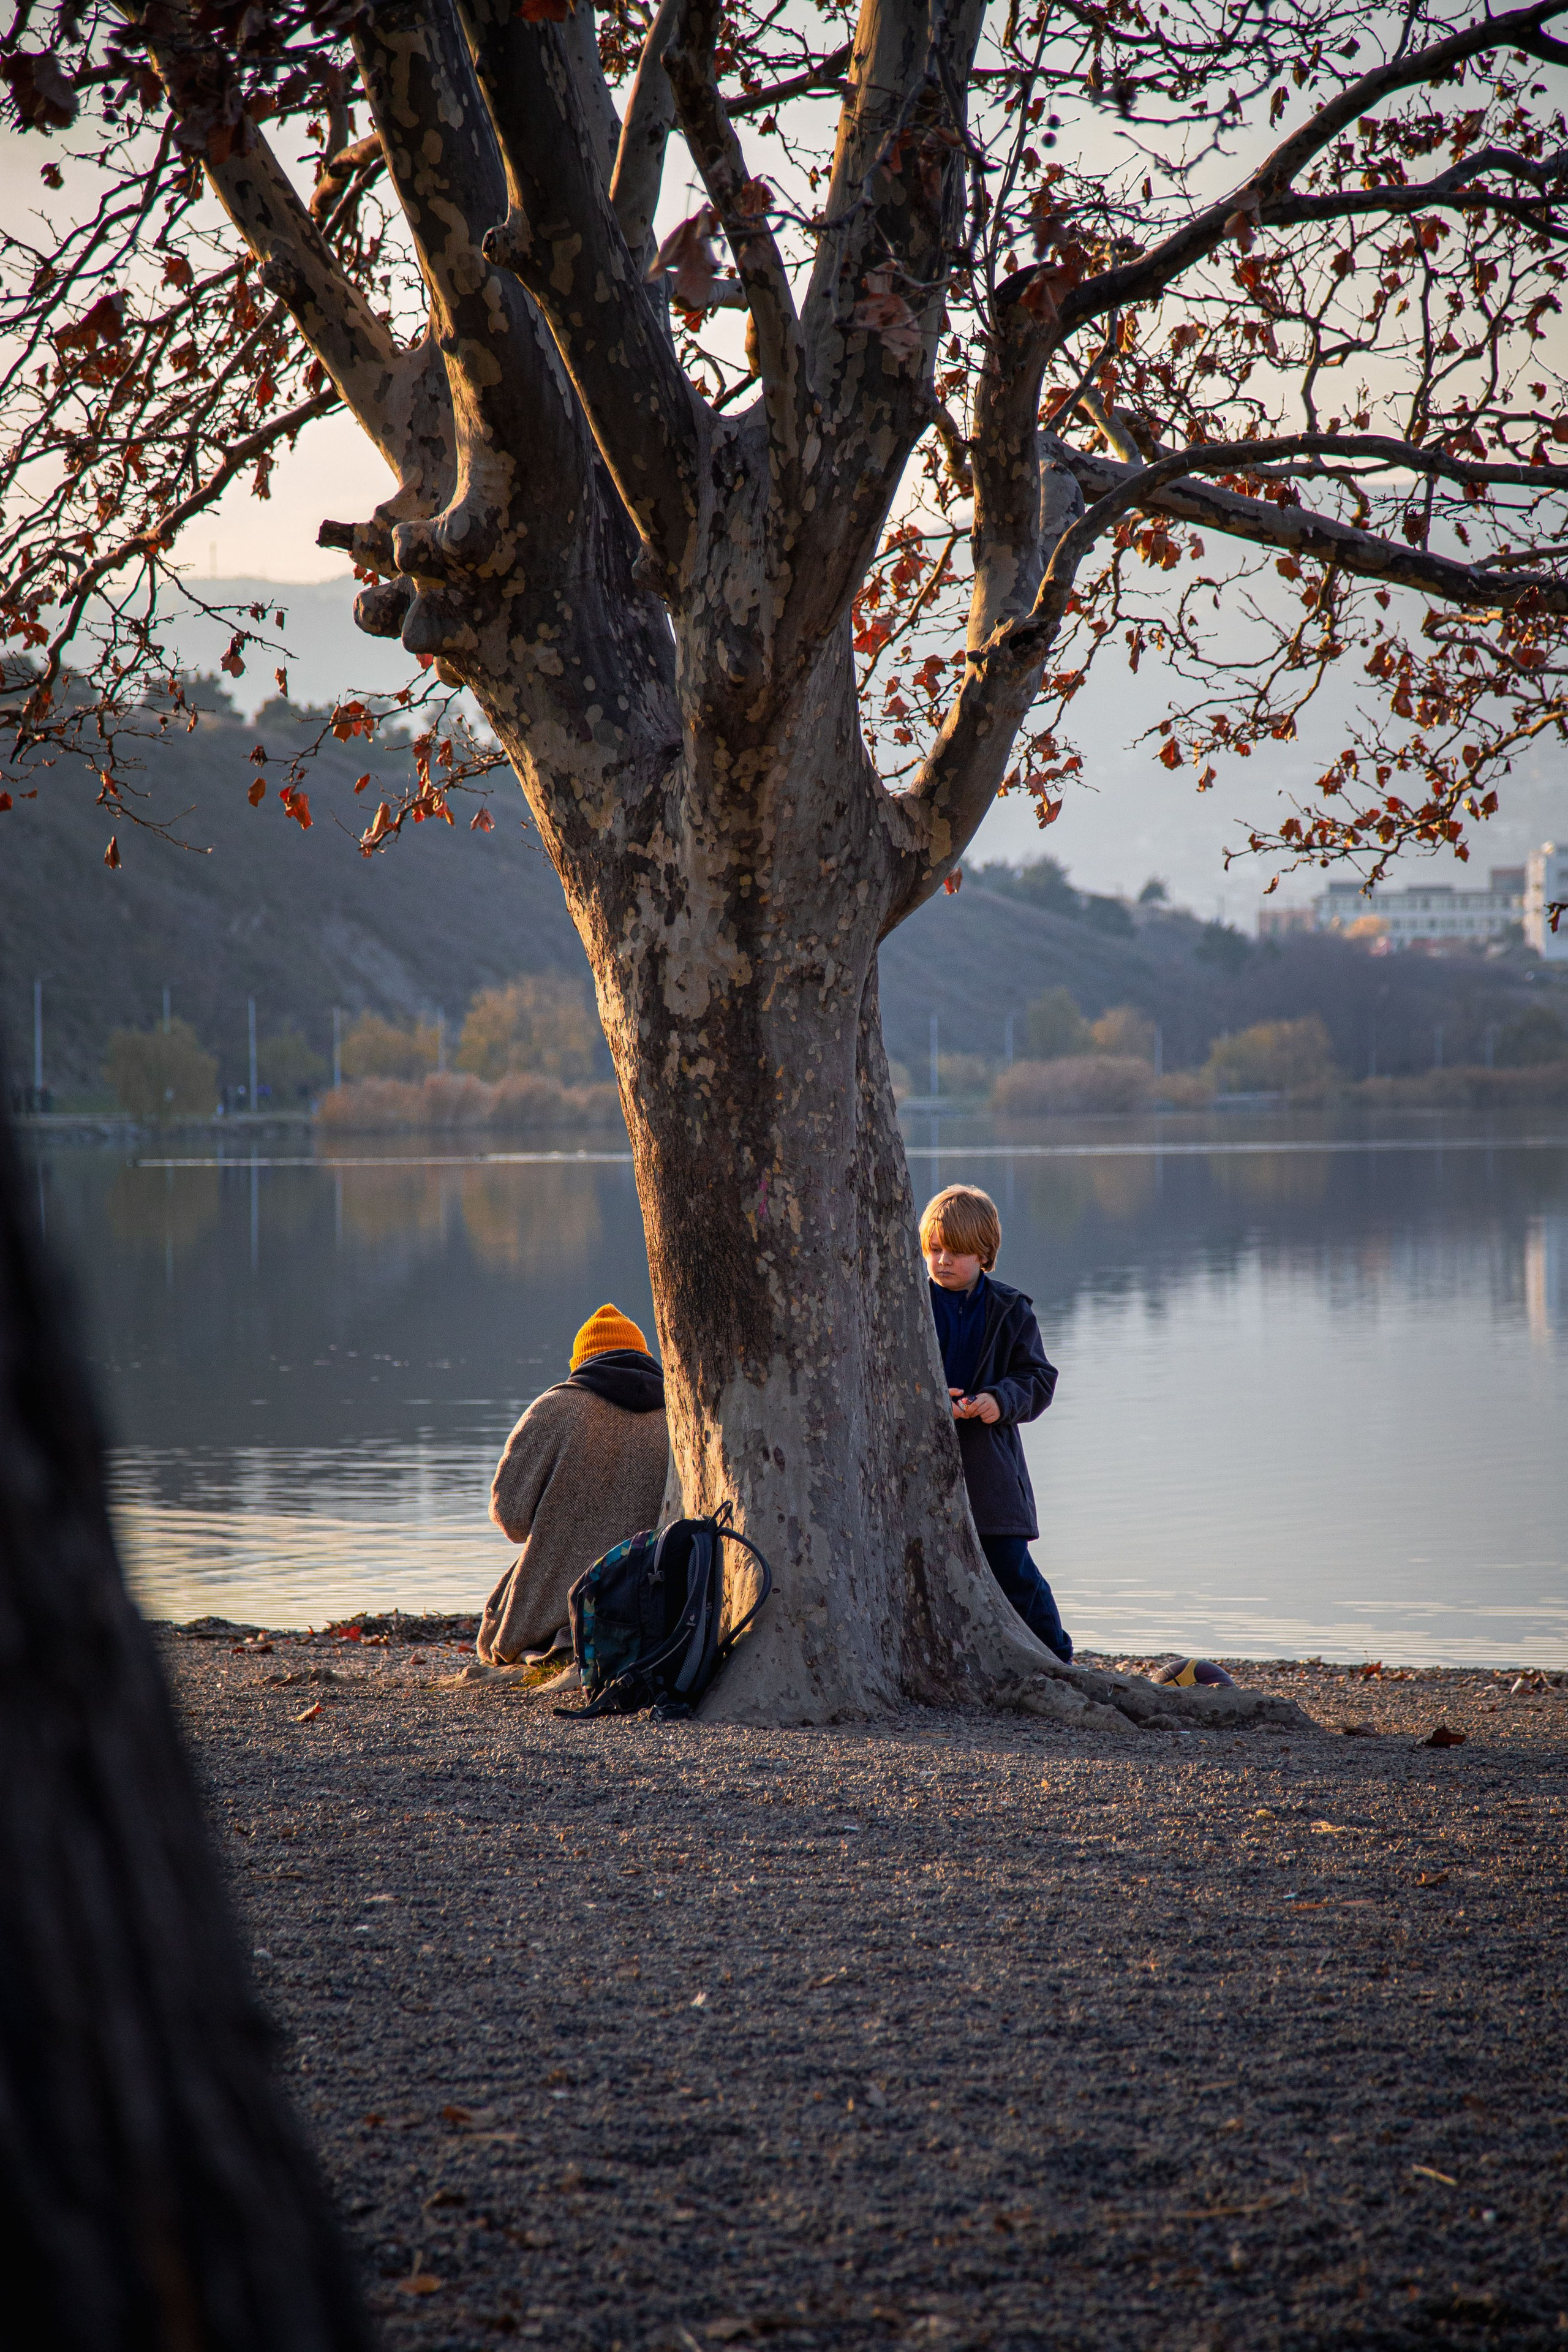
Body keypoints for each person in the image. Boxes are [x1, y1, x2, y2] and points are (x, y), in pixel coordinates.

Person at [920, 1184, 1073, 1664]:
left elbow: (1038, 1378)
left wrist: (998, 1400)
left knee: (1012, 1569)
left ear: (984, 1254)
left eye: (957, 1252)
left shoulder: (1010, 1309)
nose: (943, 1261)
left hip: (991, 1469)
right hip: (919, 1464)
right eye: (935, 1249)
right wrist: (925, 1399)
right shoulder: (906, 1305)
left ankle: (1059, 1659)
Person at [476, 1303, 669, 1667]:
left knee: (496, 1629)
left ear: (581, 1363)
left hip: (554, 1614)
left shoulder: (555, 1408)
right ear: (645, 1357)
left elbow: (512, 1520)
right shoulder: (680, 1413)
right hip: (654, 1608)